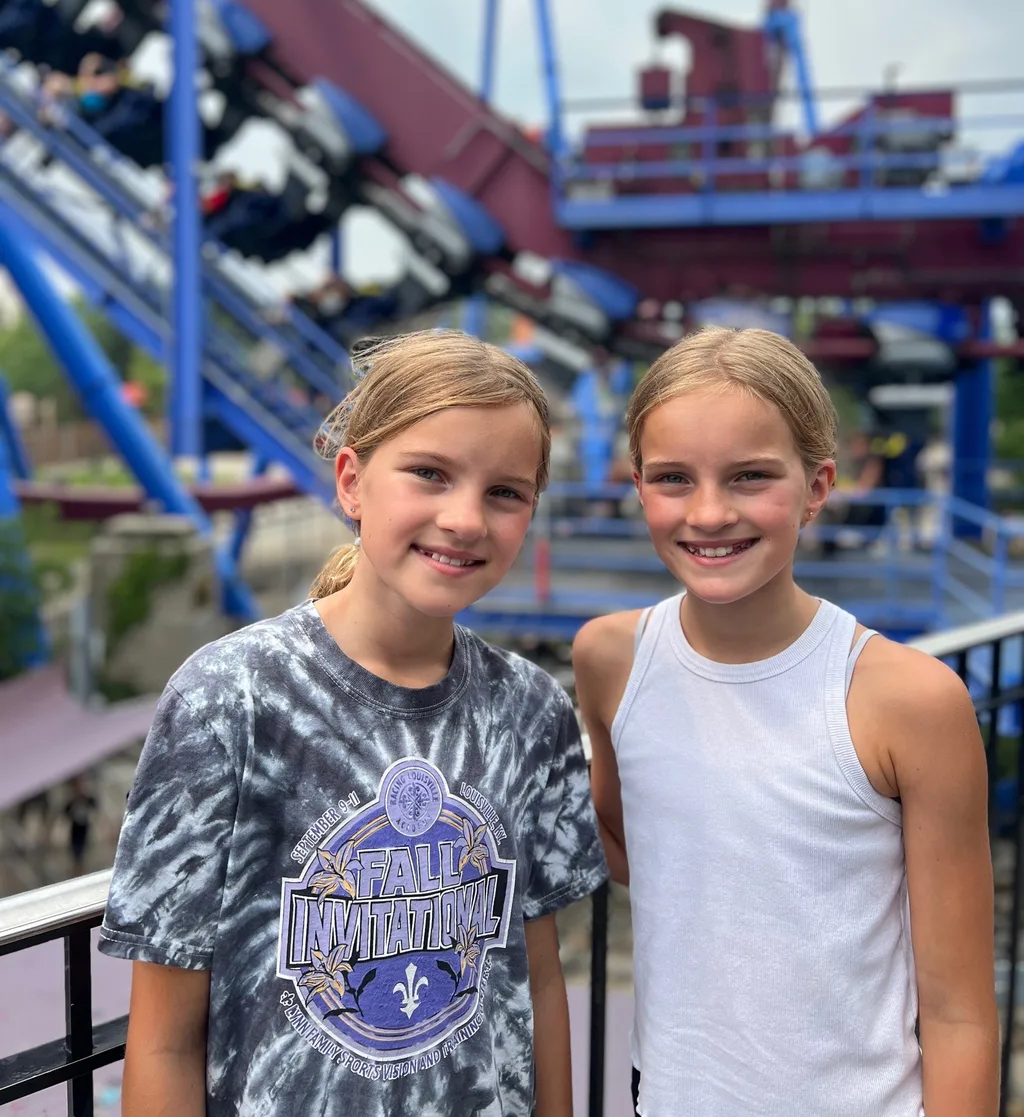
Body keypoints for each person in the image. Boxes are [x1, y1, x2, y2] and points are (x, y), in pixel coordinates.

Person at [99, 329, 607, 1117]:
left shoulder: (530, 709)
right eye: (430, 474)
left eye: (505, 491)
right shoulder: (230, 698)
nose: (465, 518)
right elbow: (164, 1037)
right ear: (352, 480)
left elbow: (536, 982)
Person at [573, 326, 998, 1117]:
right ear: (637, 487)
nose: (709, 511)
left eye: (750, 476)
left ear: (817, 485)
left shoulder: (911, 699)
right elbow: (637, 846)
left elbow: (960, 1011)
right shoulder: (609, 659)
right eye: (673, 477)